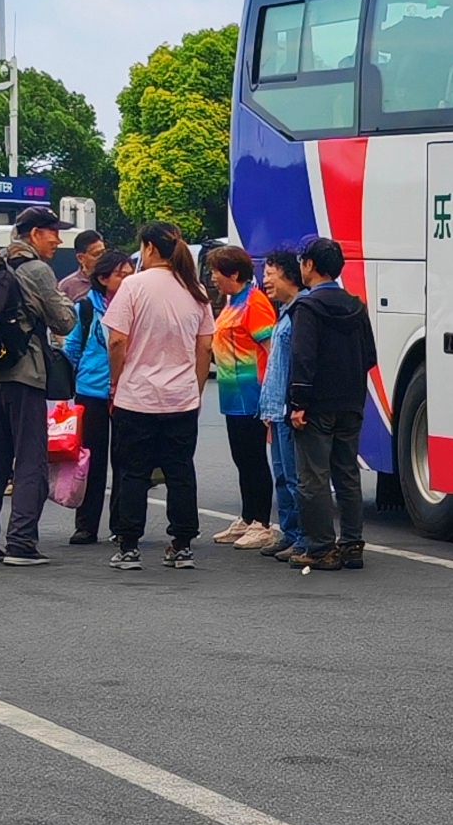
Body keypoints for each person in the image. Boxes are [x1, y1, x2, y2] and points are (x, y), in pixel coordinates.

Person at [0, 204, 75, 567]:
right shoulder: (37, 270)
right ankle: (22, 543)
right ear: (34, 235)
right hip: (23, 376)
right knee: (29, 460)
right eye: (52, 231)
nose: (58, 239)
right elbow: (65, 321)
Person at [99, 222, 213, 571]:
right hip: (181, 398)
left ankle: (129, 545)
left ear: (148, 247)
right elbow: (205, 346)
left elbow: (117, 340)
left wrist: (116, 381)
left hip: (138, 396)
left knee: (133, 472)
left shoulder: (133, 286)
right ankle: (182, 544)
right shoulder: (196, 291)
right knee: (180, 472)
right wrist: (194, 387)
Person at [286, 233, 379, 574]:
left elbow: (303, 358)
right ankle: (352, 544)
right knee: (347, 473)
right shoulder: (356, 306)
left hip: (316, 404)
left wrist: (298, 401)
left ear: (309, 265)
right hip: (351, 401)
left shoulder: (307, 308)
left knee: (313, 476)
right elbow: (370, 355)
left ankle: (321, 547)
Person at [207, 246, 281, 549]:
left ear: (234, 274)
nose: (212, 278)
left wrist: (270, 395)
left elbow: (270, 350)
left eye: (216, 272)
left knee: (253, 459)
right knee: (241, 458)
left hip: (252, 395)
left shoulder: (255, 303)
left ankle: (261, 522)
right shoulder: (232, 302)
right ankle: (247, 516)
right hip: (231, 394)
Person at [62, 244, 131, 546]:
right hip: (91, 393)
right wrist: (69, 386)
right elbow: (72, 347)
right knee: (91, 460)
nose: (128, 279)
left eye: (131, 273)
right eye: (121, 274)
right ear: (103, 278)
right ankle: (86, 526)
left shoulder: (135, 305)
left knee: (126, 460)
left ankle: (122, 525)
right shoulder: (86, 307)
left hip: (128, 393)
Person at [256, 249, 305, 563]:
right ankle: (289, 533)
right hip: (276, 410)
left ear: (289, 274)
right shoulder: (286, 311)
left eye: (270, 275)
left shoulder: (302, 311)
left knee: (295, 476)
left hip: (290, 409)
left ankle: (302, 537)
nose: (265, 282)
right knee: (282, 476)